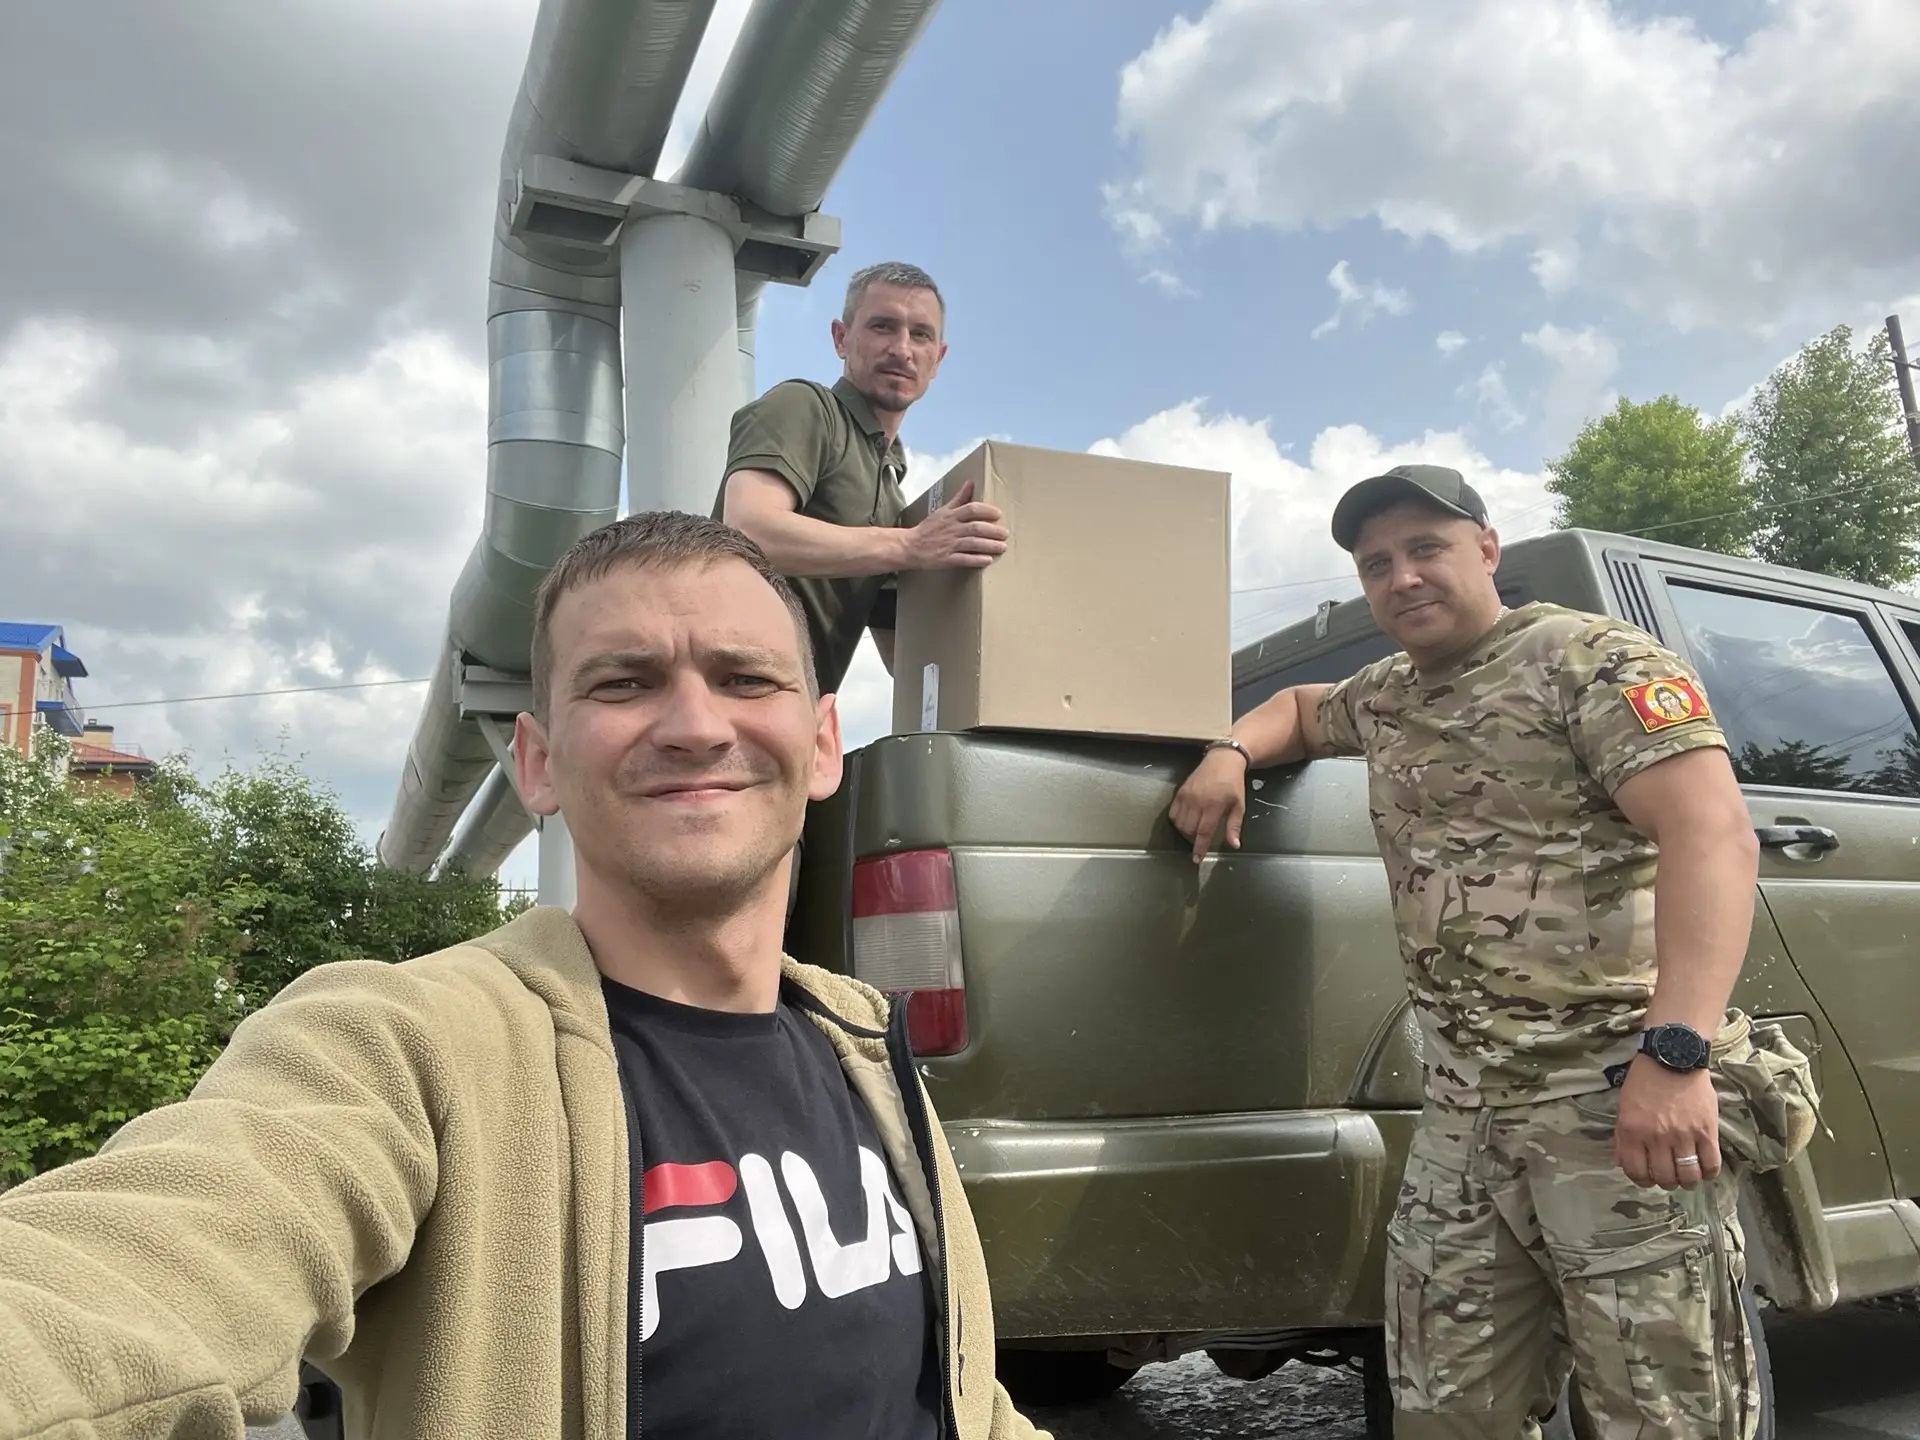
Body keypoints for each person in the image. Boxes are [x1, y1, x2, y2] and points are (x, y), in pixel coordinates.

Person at [0, 512, 1048, 1440]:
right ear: (538, 762)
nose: (695, 725)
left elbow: (962, 1402)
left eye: (745, 677)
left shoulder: (860, 1044)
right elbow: (134, 1272)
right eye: (624, 682)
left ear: (821, 744)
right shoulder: (403, 1048)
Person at [1169, 464, 1765, 1439]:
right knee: (1444, 1413)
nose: (1401, 577)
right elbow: (1300, 709)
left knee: (1663, 1415)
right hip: (1462, 1122)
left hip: (1611, 1101)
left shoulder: (1590, 660)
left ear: (1488, 549)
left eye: (1425, 548)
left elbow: (1714, 836)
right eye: (1376, 564)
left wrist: (1676, 1054)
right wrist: (1229, 751)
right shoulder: (1386, 694)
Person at [715, 259, 1010, 698]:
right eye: (883, 327)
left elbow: (902, 660)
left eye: (921, 334)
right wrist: (910, 546)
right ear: (841, 338)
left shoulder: (894, 501)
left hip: (799, 711)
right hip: (723, 696)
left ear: (938, 358)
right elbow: (749, 530)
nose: (902, 349)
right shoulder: (805, 407)